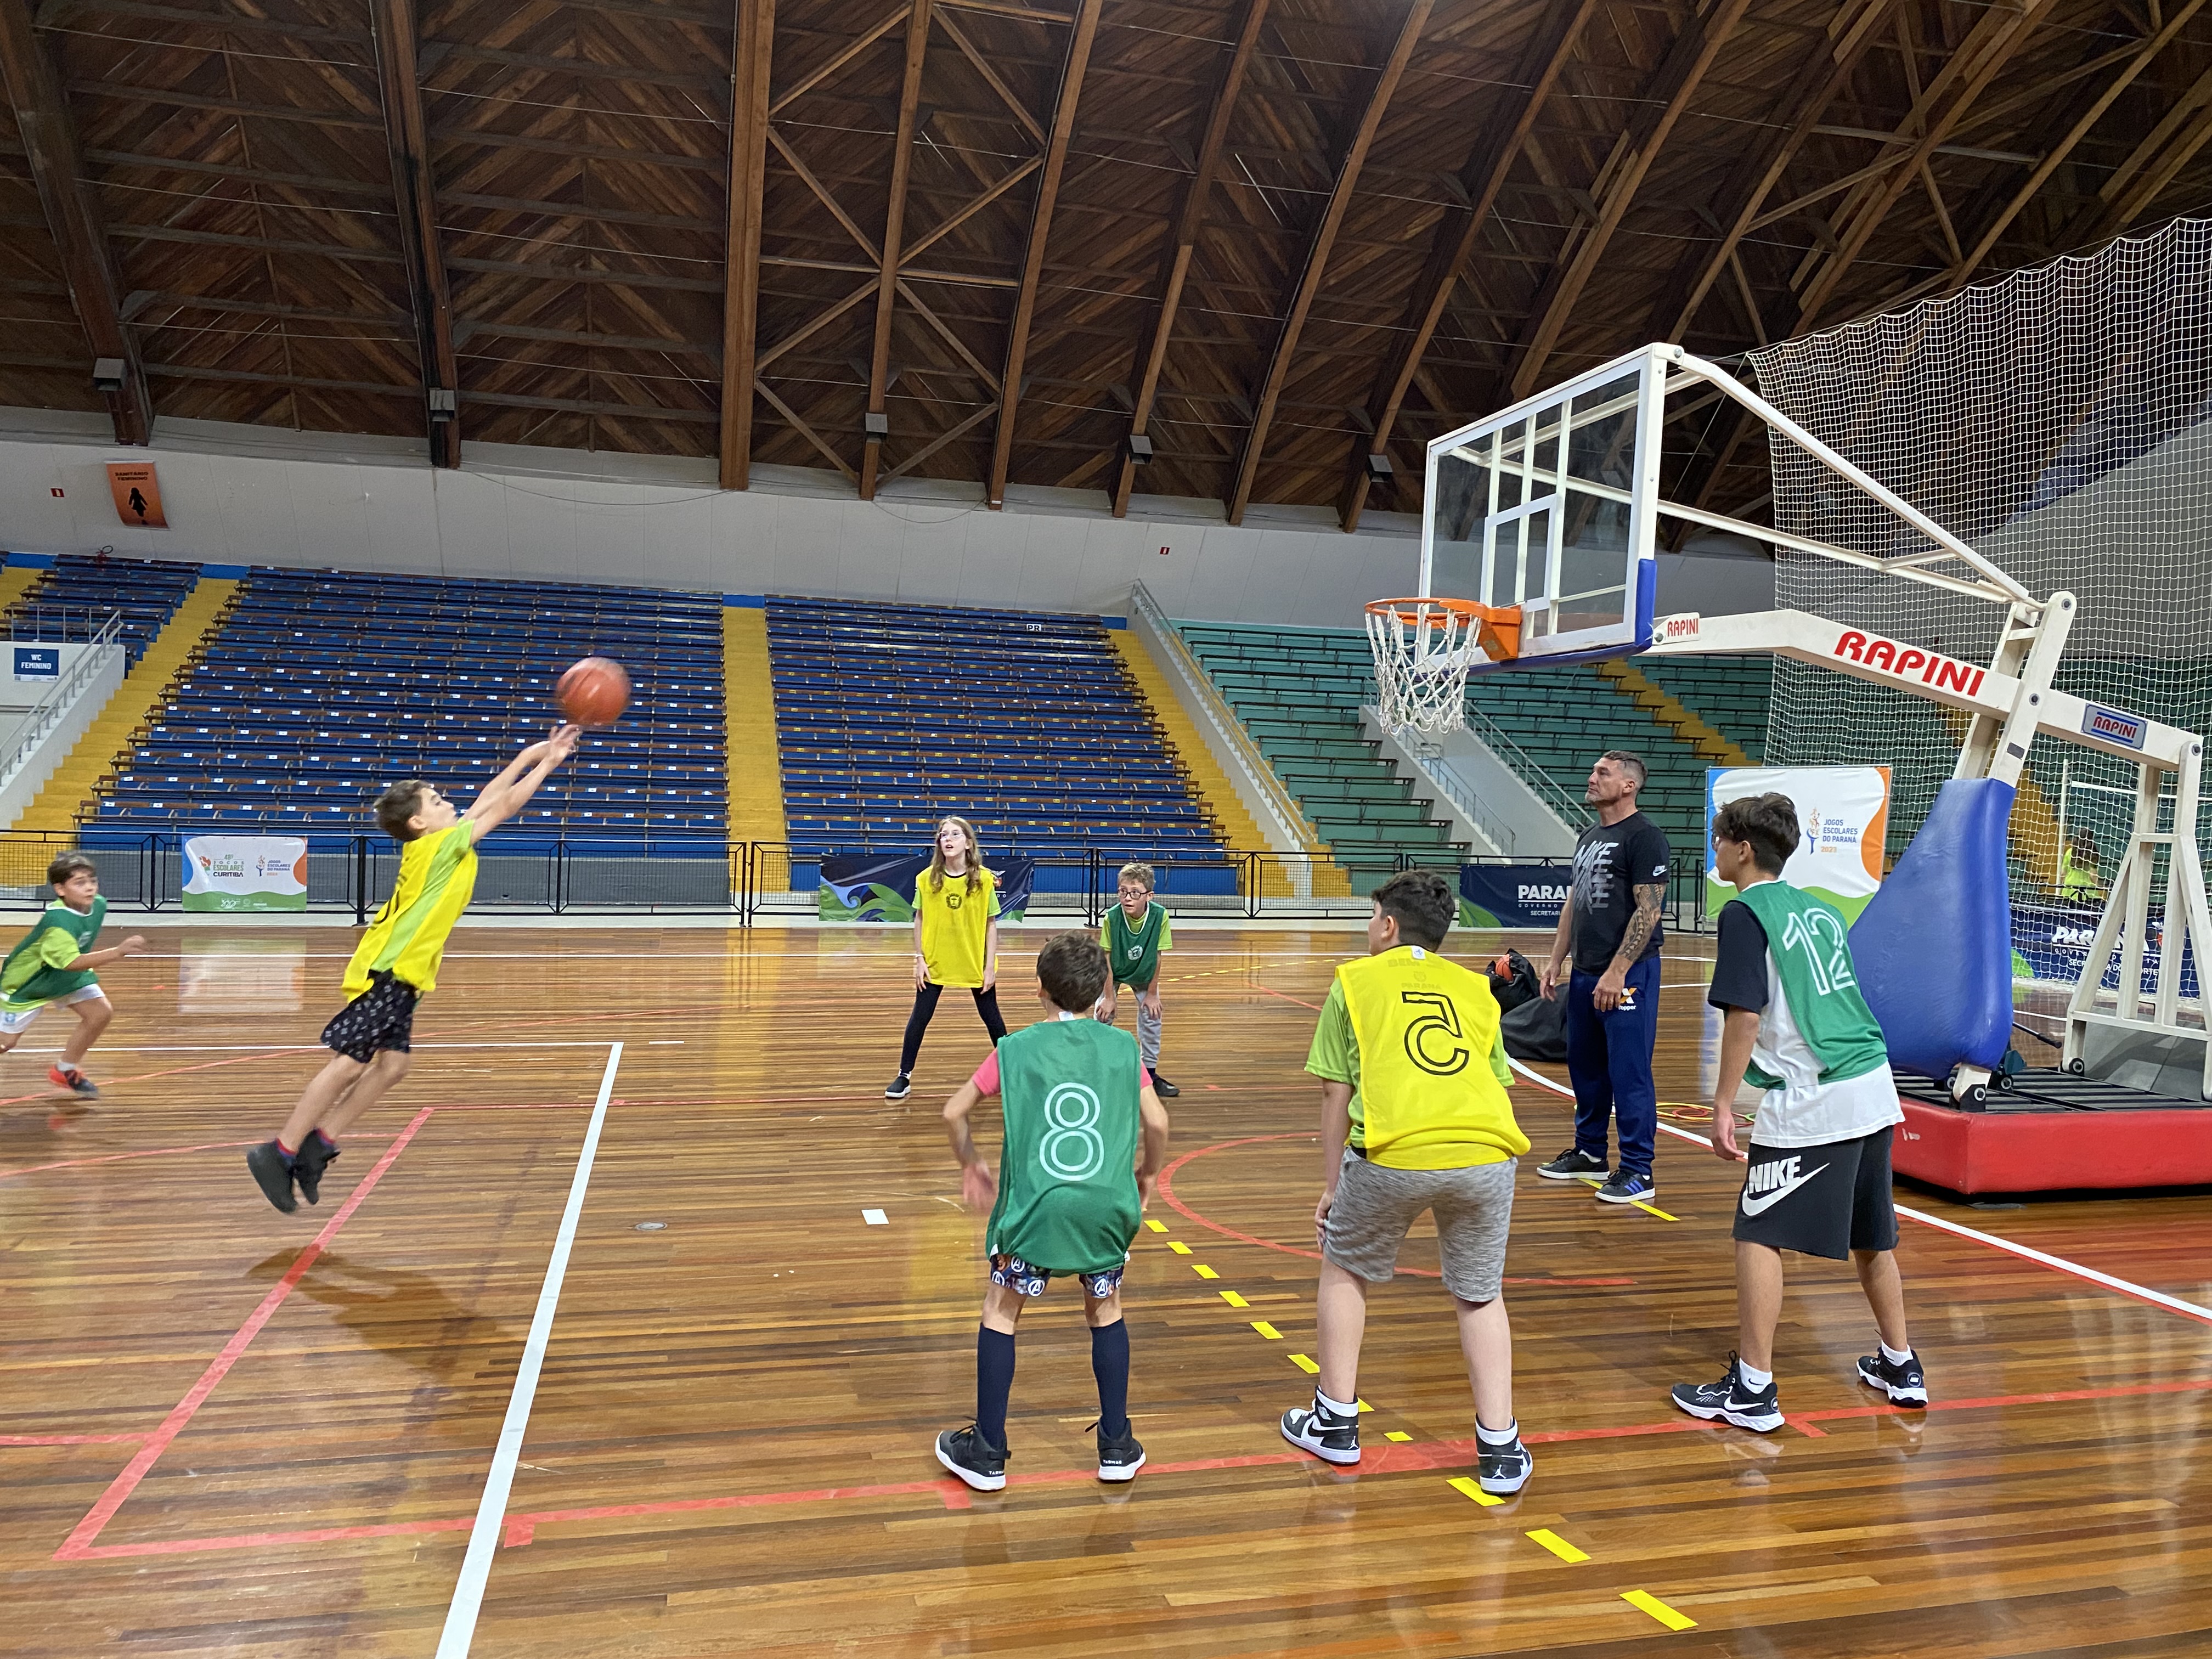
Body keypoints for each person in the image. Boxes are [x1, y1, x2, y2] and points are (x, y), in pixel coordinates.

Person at [245, 725, 581, 1213]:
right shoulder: (440, 847)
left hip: (405, 973)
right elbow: (502, 807)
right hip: (391, 970)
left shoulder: (436, 845)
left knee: (395, 1065)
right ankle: (279, 1151)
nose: (450, 804)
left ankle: (319, 1145)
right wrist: (547, 765)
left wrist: (531, 754)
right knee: (350, 1062)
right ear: (421, 823)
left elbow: (488, 799)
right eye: (438, 800)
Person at [1671, 792, 1926, 1431]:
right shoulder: (1819, 910)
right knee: (1873, 1235)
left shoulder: (1744, 913)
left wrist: (1725, 1103)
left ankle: (1754, 1390)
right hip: (1872, 1083)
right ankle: (1900, 1363)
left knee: (1758, 1231)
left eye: (1720, 840)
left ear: (1744, 849)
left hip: (1819, 1093)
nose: (1716, 851)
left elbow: (1746, 1016)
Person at [1280, 869, 1534, 1496]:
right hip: (1486, 1150)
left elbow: (1335, 1093)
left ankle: (1335, 1421)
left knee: (1345, 1266)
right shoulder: (1477, 990)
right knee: (1480, 1293)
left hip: (1393, 1150)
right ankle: (1500, 1448)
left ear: (1388, 925)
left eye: (1372, 918)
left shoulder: (1354, 982)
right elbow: (1497, 1079)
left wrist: (1333, 1183)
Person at [936, 930, 1171, 1492]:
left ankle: (988, 1451)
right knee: (1106, 1308)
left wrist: (971, 1164)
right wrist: (1147, 1174)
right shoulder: (1124, 1049)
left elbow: (953, 1112)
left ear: (1040, 990)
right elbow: (1158, 1123)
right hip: (1103, 1212)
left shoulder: (1013, 1049)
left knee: (1001, 1311)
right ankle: (1116, 1444)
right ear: (1101, 997)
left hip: (1034, 1213)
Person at [1538, 750, 1671, 1205]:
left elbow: (1649, 910)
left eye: (1603, 772)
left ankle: (1638, 1169)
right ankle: (1591, 1152)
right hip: (1585, 973)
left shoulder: (1645, 837)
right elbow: (1574, 903)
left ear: (1629, 786)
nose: (1591, 778)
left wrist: (1618, 971)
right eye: (1593, 770)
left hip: (1627, 975)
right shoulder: (1589, 835)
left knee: (1629, 1071)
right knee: (1586, 1068)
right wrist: (1558, 960)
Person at [0, 853, 147, 1097]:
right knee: (6, 1043)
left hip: (65, 976)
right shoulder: (58, 922)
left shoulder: (98, 904)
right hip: (29, 984)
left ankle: (64, 1070)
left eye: (92, 880)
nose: (89, 887)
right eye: (80, 883)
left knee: (100, 1013)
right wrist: (118, 952)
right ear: (60, 889)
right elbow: (71, 962)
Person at [886, 816, 1007, 1101]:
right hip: (936, 962)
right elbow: (919, 919)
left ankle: (1011, 1071)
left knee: (993, 1019)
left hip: (974, 961)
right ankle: (904, 1076)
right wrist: (919, 958)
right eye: (943, 835)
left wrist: (990, 966)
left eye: (955, 834)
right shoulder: (926, 879)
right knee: (920, 1018)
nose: (948, 839)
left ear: (968, 843)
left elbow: (991, 924)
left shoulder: (985, 879)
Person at [1095, 860, 1178, 1097]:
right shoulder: (1112, 917)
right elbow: (1106, 958)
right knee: (1101, 1016)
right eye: (1122, 891)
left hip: (1144, 973)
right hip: (1116, 971)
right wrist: (1110, 997)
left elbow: (1158, 956)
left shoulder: (1160, 916)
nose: (1127, 898)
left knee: (1153, 1017)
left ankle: (1150, 1074)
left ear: (1149, 895)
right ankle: (1098, 1071)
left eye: (1134, 893)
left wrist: (1152, 994)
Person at [2057, 830, 2106, 902]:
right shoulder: (2092, 854)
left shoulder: (2069, 852)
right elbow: (2093, 876)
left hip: (2069, 889)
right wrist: (2099, 887)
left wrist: (2061, 889)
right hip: (2087, 891)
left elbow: (2063, 874)